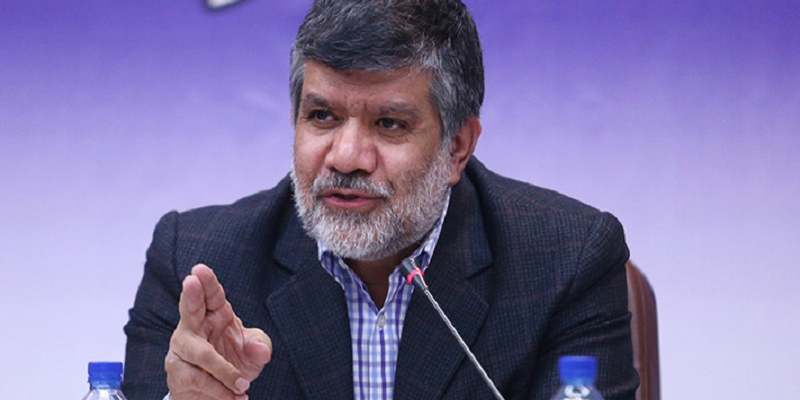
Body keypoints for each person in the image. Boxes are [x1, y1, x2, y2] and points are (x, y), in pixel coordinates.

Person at [122, 0, 639, 399]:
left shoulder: (565, 260)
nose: (346, 157)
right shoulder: (197, 262)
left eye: (389, 123)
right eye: (322, 116)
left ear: (458, 146)